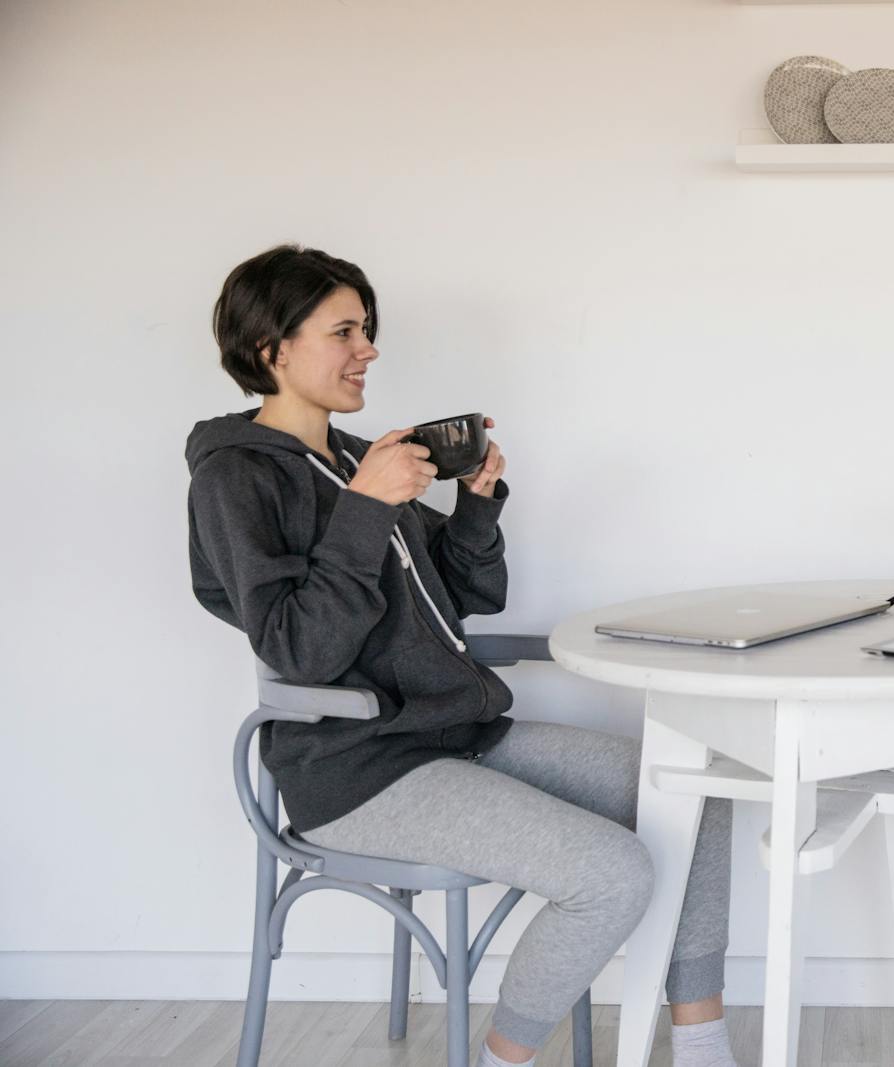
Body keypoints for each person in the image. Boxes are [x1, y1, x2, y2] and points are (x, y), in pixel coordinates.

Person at [187, 245, 739, 1067]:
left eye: (367, 329)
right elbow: (297, 649)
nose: (367, 348)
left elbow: (465, 596)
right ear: (273, 348)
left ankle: (700, 1041)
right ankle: (502, 1059)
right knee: (613, 873)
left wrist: (472, 506)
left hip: (452, 735)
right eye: (344, 331)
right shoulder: (236, 478)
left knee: (699, 792)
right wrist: (368, 507)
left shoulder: (355, 459)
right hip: (356, 766)